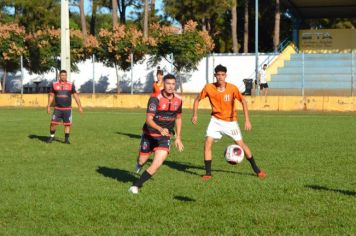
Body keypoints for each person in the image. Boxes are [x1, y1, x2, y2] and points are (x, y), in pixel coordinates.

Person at [191, 64, 266, 180]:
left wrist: (247, 120)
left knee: (241, 144)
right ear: (215, 75)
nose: (220, 77)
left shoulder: (232, 88)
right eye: (218, 75)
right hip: (215, 121)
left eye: (222, 75)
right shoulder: (208, 88)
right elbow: (197, 100)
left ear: (226, 75)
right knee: (207, 143)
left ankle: (257, 170)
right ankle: (208, 173)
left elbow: (244, 102)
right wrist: (194, 114)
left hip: (230, 122)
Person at [129, 74, 184, 194]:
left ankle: (136, 185)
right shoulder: (155, 98)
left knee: (157, 163)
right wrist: (159, 128)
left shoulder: (179, 100)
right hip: (149, 134)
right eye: (168, 83)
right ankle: (139, 164)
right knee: (142, 160)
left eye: (173, 84)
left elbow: (178, 118)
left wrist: (178, 137)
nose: (171, 86)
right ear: (163, 84)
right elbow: (149, 119)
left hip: (165, 136)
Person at [47, 70, 83, 144]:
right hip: (57, 109)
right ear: (59, 76)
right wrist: (48, 106)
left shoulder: (70, 84)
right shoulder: (54, 84)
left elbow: (75, 96)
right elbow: (51, 96)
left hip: (67, 109)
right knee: (53, 124)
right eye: (62, 75)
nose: (64, 77)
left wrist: (79, 106)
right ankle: (52, 137)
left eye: (65, 75)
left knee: (67, 125)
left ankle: (66, 140)